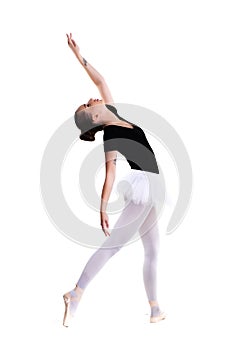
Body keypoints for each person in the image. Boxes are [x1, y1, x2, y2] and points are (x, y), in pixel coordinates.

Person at [62, 33, 166, 327]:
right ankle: (76, 292)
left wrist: (79, 56)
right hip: (143, 187)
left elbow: (100, 81)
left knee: (154, 249)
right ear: (94, 118)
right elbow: (110, 175)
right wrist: (102, 209)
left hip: (152, 185)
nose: (92, 99)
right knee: (113, 247)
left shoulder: (115, 114)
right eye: (87, 105)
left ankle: (155, 309)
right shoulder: (110, 136)